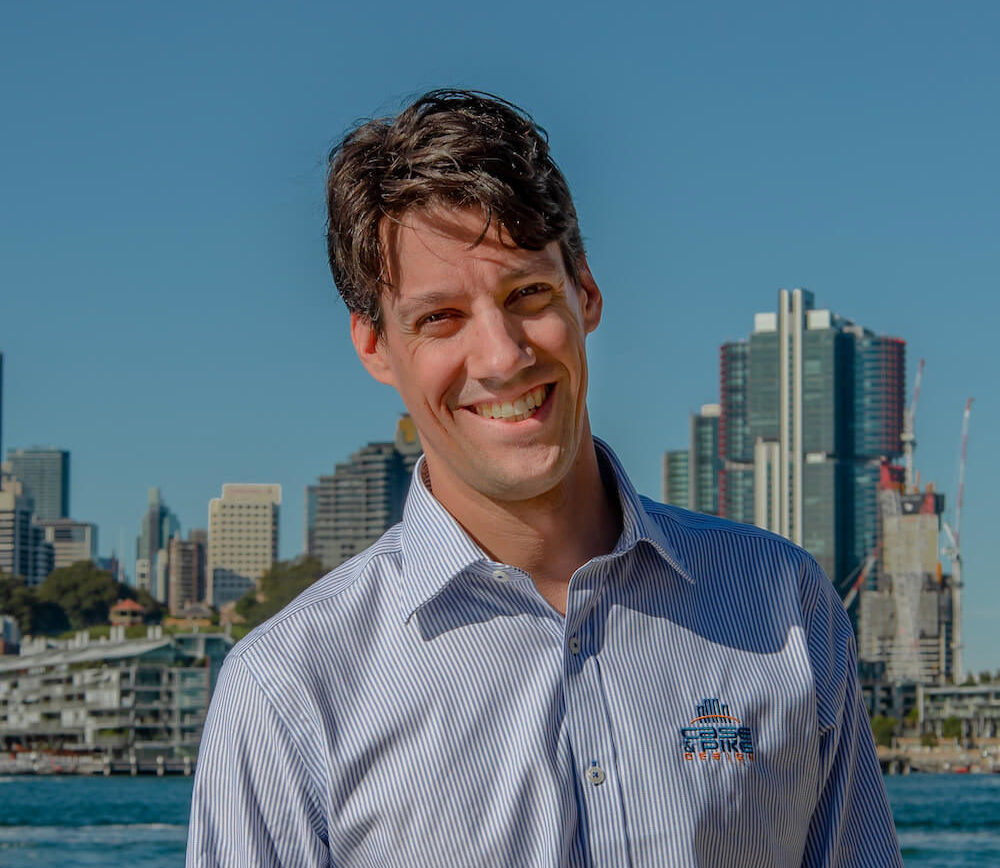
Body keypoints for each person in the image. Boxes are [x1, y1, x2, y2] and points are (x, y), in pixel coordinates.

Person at [186, 90, 902, 867]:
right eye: (441, 318)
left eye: (526, 294)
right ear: (375, 346)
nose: (501, 357)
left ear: (584, 291)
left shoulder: (785, 604)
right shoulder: (288, 692)